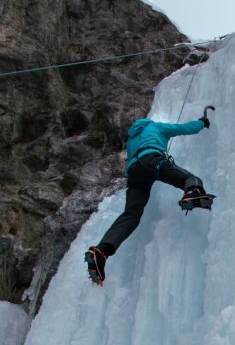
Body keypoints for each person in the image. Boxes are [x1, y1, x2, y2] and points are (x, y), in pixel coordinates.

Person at [85, 112, 212, 284]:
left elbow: (131, 160)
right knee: (192, 180)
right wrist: (201, 122)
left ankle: (102, 252)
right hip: (152, 160)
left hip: (134, 174)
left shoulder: (131, 140)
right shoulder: (155, 126)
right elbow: (184, 128)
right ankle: (192, 193)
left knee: (131, 216)